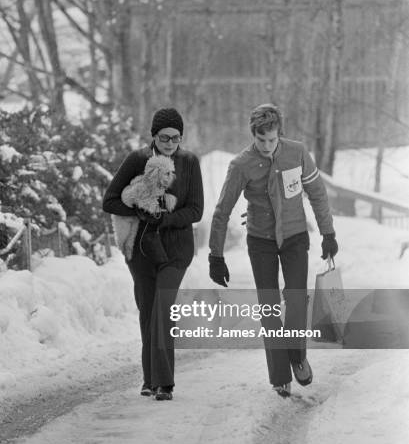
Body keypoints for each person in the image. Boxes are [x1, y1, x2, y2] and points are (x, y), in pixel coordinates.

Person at [208, 103, 338, 398]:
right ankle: (280, 375)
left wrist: (328, 233)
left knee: (295, 300)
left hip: (294, 236)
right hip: (261, 241)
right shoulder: (241, 165)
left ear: (280, 134)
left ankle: (297, 355)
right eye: (261, 140)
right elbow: (222, 211)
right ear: (253, 135)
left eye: (272, 139)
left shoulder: (298, 153)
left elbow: (317, 194)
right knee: (269, 308)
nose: (267, 146)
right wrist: (216, 255)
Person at [103, 108, 204, 401]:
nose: (171, 143)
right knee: (148, 311)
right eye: (164, 137)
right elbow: (109, 201)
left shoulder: (189, 163)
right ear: (153, 136)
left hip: (176, 250)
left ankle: (165, 383)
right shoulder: (137, 160)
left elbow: (196, 210)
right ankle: (149, 380)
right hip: (143, 250)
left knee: (162, 309)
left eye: (176, 137)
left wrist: (165, 218)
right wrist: (140, 209)